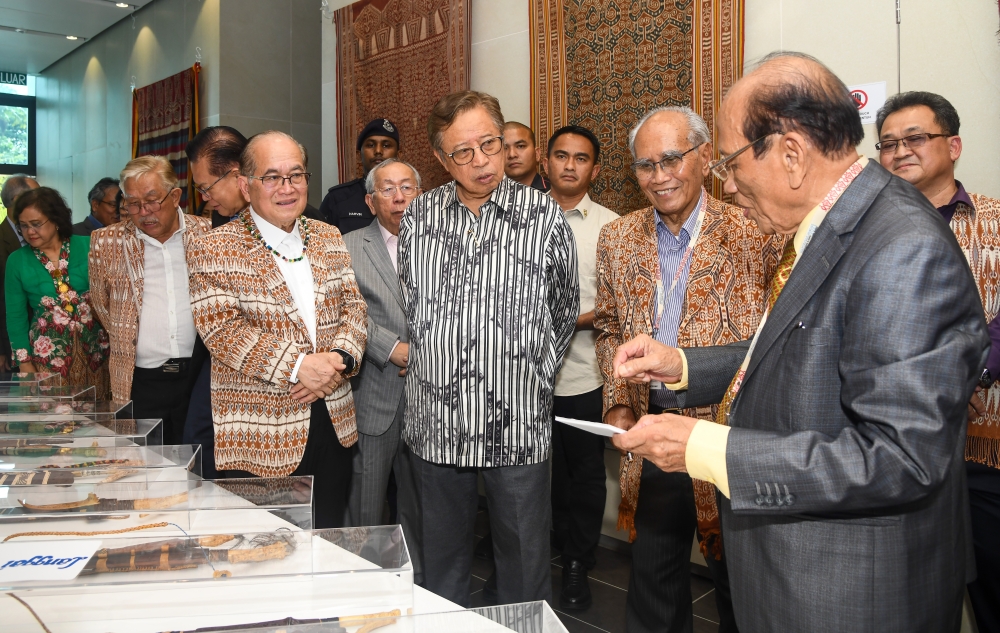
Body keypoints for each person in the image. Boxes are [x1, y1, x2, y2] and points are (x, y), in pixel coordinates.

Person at [610, 51, 987, 633]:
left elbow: (901, 458)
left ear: (790, 154)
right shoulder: (835, 225)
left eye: (732, 162)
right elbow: (798, 351)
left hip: (849, 593)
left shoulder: (900, 246)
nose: (728, 184)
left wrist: (710, 449)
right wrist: (682, 364)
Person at [597, 107, 778, 633]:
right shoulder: (619, 238)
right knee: (653, 584)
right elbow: (609, 328)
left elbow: (776, 339)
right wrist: (620, 402)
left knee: (741, 589)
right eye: (645, 165)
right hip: (654, 434)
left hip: (730, 435)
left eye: (672, 159)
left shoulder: (754, 229)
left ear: (705, 157)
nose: (659, 177)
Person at [399, 90, 579, 607]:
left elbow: (563, 307)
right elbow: (414, 303)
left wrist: (534, 375)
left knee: (523, 561)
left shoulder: (543, 215)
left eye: (490, 144)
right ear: (439, 158)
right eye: (463, 152)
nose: (481, 161)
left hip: (517, 419)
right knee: (439, 562)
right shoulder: (421, 217)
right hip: (437, 419)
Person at [187, 130, 367, 529]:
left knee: (328, 542)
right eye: (271, 177)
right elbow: (222, 331)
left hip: (333, 423)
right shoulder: (213, 247)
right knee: (263, 552)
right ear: (245, 186)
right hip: (261, 433)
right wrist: (299, 366)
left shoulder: (328, 236)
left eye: (296, 175)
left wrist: (339, 359)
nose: (286, 188)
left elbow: (354, 307)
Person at [876, 91, 1000, 633]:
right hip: (895, 449)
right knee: (914, 596)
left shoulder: (994, 220)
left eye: (915, 139)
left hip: (982, 445)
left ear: (952, 146)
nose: (900, 151)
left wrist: (965, 371)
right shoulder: (866, 231)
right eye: (887, 144)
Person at [538, 124, 618, 611]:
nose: (570, 165)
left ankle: (576, 562)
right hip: (523, 374)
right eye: (561, 156)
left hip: (584, 370)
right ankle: (532, 554)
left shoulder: (612, 226)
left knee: (585, 473)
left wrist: (563, 321)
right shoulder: (517, 218)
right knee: (532, 471)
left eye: (581, 158)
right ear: (546, 162)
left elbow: (615, 304)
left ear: (595, 168)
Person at [89, 156, 212, 444]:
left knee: (200, 465)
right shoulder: (106, 242)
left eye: (152, 200)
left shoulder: (209, 234)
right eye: (133, 203)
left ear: (175, 196)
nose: (144, 212)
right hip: (141, 380)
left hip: (200, 377)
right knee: (142, 466)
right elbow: (101, 304)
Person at [342, 157, 423, 578]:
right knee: (366, 504)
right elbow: (342, 311)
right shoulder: (347, 245)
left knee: (422, 502)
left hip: (431, 395)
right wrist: (391, 349)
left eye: (407, 187)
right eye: (387, 189)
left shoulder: (443, 243)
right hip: (374, 392)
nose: (399, 197)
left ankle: (417, 582)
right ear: (371, 202)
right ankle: (361, 581)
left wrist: (428, 353)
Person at [5, 187, 109, 392]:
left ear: (56, 219)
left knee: (99, 416)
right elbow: (15, 316)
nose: (30, 232)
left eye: (36, 224)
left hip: (98, 352)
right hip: (47, 358)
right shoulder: (17, 261)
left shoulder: (90, 246)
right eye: (23, 226)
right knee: (52, 419)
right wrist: (24, 362)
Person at [319, 118, 400, 234]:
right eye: (371, 145)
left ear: (398, 155)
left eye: (386, 145)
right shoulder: (337, 198)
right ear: (358, 155)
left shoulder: (410, 198)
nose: (378, 151)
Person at [1, 175, 39, 371]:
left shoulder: (44, 239)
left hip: (43, 344)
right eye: (36, 197)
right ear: (17, 202)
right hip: (11, 348)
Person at [503, 122, 549, 191]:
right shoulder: (488, 196)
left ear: (537, 154)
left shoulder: (555, 193)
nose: (512, 155)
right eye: (504, 148)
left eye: (520, 146)